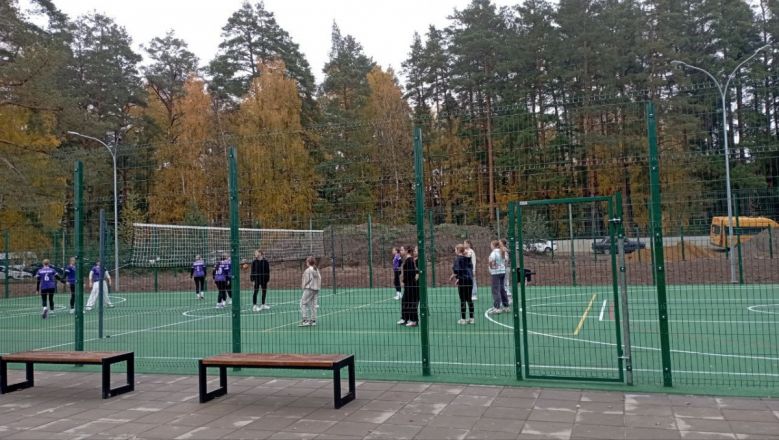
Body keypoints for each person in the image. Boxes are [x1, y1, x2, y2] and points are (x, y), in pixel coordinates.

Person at [450, 244, 474, 325]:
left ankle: (463, 319)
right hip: (469, 280)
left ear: (457, 250)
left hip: (463, 281)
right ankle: (472, 318)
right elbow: (470, 268)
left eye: (455, 249)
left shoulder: (457, 259)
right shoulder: (468, 258)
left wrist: (455, 275)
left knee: (463, 299)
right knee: (469, 299)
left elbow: (457, 270)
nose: (455, 251)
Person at [399, 245, 419, 327]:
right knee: (405, 301)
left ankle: (414, 320)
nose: (400, 251)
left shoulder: (410, 260)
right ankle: (405, 318)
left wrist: (404, 281)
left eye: (402, 250)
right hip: (408, 284)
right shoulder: (408, 260)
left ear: (407, 251)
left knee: (411, 302)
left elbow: (411, 273)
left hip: (411, 285)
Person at [488, 240, 509, 314]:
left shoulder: (494, 252)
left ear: (493, 245)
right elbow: (506, 260)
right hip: (502, 272)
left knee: (495, 290)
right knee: (502, 288)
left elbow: (491, 261)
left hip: (496, 273)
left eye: (491, 245)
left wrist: (491, 266)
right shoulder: (502, 251)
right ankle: (506, 306)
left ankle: (497, 307)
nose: (490, 246)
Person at [299, 256, 321, 327]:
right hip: (316, 289)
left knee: (303, 303)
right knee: (313, 304)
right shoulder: (316, 269)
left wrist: (303, 286)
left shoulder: (308, 270)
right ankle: (313, 320)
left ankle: (305, 320)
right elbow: (319, 278)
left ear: (308, 262)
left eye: (306, 262)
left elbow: (306, 280)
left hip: (309, 288)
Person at [500, 238, 512, 305]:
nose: (499, 243)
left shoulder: (504, 249)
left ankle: (509, 298)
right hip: (503, 268)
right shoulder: (502, 249)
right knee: (503, 283)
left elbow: (506, 259)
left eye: (500, 242)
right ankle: (505, 298)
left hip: (505, 268)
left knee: (505, 283)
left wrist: (503, 265)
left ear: (503, 243)